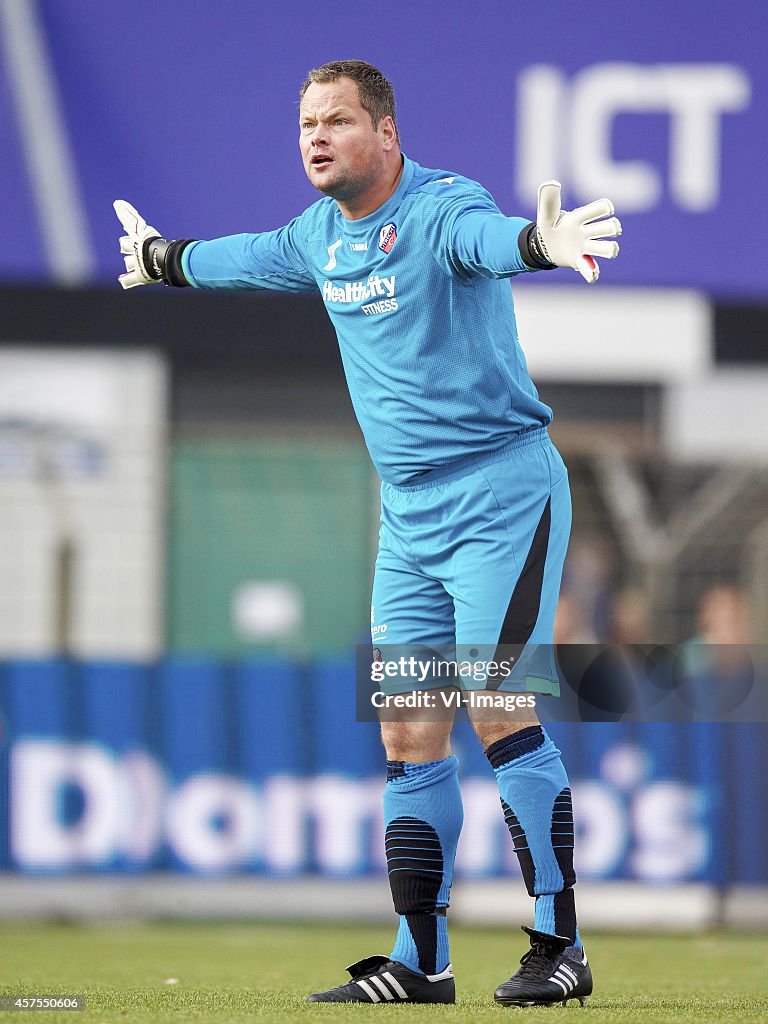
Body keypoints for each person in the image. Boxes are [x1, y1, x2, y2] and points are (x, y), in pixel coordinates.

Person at [114, 60, 621, 1007]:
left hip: (501, 495)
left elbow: (485, 242)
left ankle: (562, 944)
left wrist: (539, 242)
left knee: (497, 704)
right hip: (409, 514)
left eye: (337, 120)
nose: (316, 136)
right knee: (407, 726)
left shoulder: (439, 208)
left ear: (385, 134)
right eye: (306, 122)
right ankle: (421, 960)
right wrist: (161, 259)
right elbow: (242, 257)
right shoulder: (319, 236)